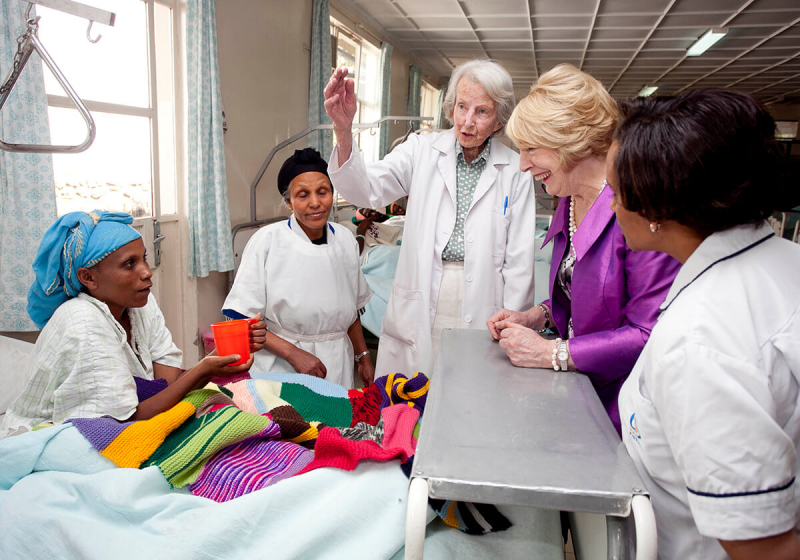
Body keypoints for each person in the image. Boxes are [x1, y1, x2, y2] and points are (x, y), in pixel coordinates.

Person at [612, 90, 800, 559]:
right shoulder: (782, 261)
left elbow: (762, 546)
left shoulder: (699, 343)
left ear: (656, 209)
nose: (611, 208)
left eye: (616, 194)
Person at [487, 64, 680, 435]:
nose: (523, 164)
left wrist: (550, 353)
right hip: (579, 390)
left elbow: (649, 333)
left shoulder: (638, 210)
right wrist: (537, 316)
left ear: (568, 142)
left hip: (625, 408)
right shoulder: (569, 197)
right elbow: (580, 288)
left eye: (530, 149)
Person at [324, 59, 537, 377]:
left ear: (498, 120)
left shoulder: (516, 169)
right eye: (462, 106)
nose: (467, 121)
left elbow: (519, 263)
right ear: (451, 107)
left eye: (482, 111)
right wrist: (343, 130)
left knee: (472, 399)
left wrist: (513, 328)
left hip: (483, 302)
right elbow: (365, 188)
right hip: (422, 294)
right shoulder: (420, 150)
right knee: (412, 401)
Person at [2, 211, 257, 438]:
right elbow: (117, 426)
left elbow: (166, 384)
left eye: (144, 259)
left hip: (131, 417)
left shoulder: (140, 304)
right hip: (63, 434)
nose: (147, 272)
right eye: (129, 264)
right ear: (88, 277)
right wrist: (204, 370)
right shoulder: (83, 322)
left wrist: (218, 358)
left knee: (241, 421)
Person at [223, 148, 374, 389]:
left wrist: (363, 356)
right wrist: (294, 354)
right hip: (282, 366)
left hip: (337, 362)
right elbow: (240, 317)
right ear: (289, 202)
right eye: (303, 195)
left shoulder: (345, 240)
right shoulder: (268, 241)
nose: (315, 203)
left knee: (335, 425)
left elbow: (352, 309)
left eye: (322, 192)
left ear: (332, 194)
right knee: (291, 424)